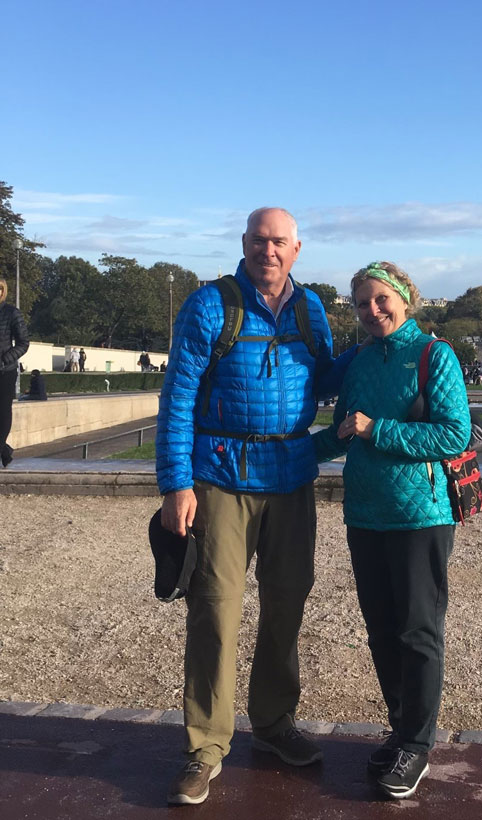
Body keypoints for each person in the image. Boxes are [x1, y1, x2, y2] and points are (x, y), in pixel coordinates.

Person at [155, 207, 351, 807]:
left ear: (297, 249)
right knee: (215, 610)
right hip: (221, 478)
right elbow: (178, 397)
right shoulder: (209, 305)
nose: (270, 251)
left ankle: (272, 722)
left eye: (280, 242)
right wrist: (175, 484)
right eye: (260, 241)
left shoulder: (310, 308)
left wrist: (384, 344)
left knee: (287, 604)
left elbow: (321, 381)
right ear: (245, 244)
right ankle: (206, 745)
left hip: (289, 477)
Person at [315, 262, 470, 800]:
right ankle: (403, 730)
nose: (372, 311)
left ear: (406, 300)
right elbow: (343, 433)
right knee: (381, 629)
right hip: (366, 513)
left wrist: (374, 428)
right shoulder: (358, 361)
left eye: (381, 300)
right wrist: (280, 453)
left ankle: (418, 743)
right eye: (362, 303)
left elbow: (454, 434)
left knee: (416, 630)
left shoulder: (434, 354)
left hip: (420, 515)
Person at [0, 278, 29, 467]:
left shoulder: (11, 313)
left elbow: (23, 343)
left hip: (5, 371)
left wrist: (4, 360)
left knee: (2, 412)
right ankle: (4, 451)